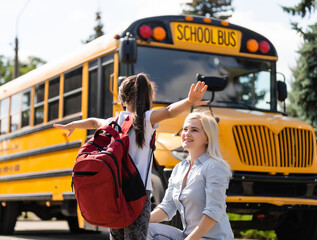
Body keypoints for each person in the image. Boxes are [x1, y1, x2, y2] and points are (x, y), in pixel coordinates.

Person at [53, 73, 208, 240]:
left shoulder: (113, 121)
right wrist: (189, 101)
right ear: (149, 96)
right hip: (138, 192)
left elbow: (92, 122)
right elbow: (169, 111)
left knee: (117, 236)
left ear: (122, 98)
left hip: (115, 190)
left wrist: (72, 125)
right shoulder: (145, 119)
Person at [148, 111, 234, 240]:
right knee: (144, 228)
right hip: (187, 236)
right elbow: (167, 207)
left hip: (213, 238)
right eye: (185, 129)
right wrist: (138, 220)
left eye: (194, 130)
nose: (187, 133)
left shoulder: (214, 166)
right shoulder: (179, 168)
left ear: (207, 138)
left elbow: (213, 212)